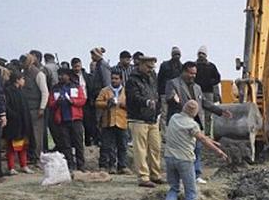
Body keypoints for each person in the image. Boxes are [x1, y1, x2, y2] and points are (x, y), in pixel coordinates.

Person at [163, 99, 228, 200]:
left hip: (169, 158)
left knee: (174, 187)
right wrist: (219, 152)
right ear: (194, 112)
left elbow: (200, 137)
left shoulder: (174, 118)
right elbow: (202, 139)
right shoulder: (192, 125)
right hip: (185, 160)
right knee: (190, 191)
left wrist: (212, 141)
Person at [164, 61, 232, 184]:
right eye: (190, 73)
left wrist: (220, 111)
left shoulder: (197, 87)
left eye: (194, 74)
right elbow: (169, 98)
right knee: (181, 150)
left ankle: (196, 174)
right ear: (184, 72)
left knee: (197, 149)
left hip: (195, 123)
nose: (193, 76)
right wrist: (173, 99)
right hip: (179, 123)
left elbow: (204, 103)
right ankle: (179, 176)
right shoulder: (173, 83)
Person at [126, 55, 162, 187]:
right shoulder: (132, 80)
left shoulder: (153, 77)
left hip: (152, 118)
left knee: (155, 147)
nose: (150, 69)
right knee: (140, 149)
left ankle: (155, 174)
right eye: (148, 67)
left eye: (152, 67)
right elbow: (133, 97)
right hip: (138, 119)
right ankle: (143, 176)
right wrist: (146, 102)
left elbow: (155, 93)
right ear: (140, 64)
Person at [48, 68, 87, 171]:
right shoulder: (55, 88)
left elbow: (82, 100)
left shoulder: (76, 86)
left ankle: (81, 165)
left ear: (68, 76)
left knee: (78, 144)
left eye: (63, 75)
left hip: (75, 119)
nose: (60, 77)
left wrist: (72, 101)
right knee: (66, 144)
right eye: (59, 75)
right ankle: (70, 165)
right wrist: (57, 102)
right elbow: (50, 103)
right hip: (62, 120)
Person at [95, 69, 129, 173]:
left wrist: (123, 105)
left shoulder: (126, 91)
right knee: (106, 145)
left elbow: (132, 104)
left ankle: (122, 166)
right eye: (112, 78)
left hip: (122, 121)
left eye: (116, 79)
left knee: (122, 146)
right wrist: (107, 103)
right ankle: (105, 166)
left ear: (121, 80)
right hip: (108, 121)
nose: (114, 80)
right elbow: (97, 102)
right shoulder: (105, 90)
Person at [3, 71, 33, 174]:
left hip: (23, 123)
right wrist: (14, 116)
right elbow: (6, 106)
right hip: (13, 123)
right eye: (22, 79)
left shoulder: (21, 91)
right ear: (17, 80)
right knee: (12, 146)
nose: (24, 81)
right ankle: (11, 167)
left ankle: (24, 165)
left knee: (23, 145)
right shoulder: (8, 91)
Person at [21, 54, 48, 163]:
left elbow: (45, 92)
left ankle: (36, 157)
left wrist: (42, 108)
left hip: (36, 109)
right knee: (27, 134)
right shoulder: (23, 74)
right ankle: (29, 156)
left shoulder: (39, 74)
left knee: (36, 134)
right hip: (26, 109)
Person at [71, 57, 98, 147]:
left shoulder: (86, 75)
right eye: (75, 67)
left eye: (78, 66)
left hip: (87, 102)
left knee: (88, 123)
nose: (77, 68)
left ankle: (88, 142)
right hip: (75, 103)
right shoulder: (71, 78)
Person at [195, 46, 221, 135]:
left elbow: (218, 78)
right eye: (199, 53)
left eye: (203, 54)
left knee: (208, 114)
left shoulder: (211, 66)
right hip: (196, 92)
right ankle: (199, 132)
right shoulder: (194, 66)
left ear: (206, 55)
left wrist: (211, 82)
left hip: (208, 92)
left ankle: (207, 133)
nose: (201, 55)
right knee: (198, 112)